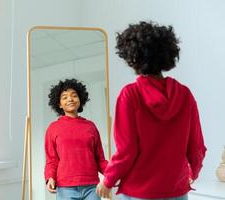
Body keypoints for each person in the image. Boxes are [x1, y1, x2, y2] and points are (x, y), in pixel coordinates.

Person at [96, 21, 207, 200]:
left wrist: (107, 180)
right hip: (176, 190)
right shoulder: (185, 94)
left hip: (139, 191)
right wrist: (194, 171)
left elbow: (127, 151)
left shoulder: (130, 95)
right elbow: (196, 145)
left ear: (133, 58)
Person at [44, 78, 108, 200]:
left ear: (80, 99)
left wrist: (113, 174)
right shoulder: (53, 128)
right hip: (65, 189)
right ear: (59, 104)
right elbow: (51, 160)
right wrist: (50, 178)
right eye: (64, 97)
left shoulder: (90, 126)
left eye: (74, 95)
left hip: (91, 188)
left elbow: (100, 159)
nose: (70, 99)